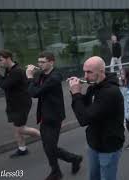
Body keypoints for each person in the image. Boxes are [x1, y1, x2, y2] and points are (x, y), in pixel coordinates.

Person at [26, 51, 82, 180]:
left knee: (50, 147)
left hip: (54, 116)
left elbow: (34, 92)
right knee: (48, 147)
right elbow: (30, 87)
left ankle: (68, 163)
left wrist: (30, 77)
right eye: (38, 62)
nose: (40, 64)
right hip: (44, 115)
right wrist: (30, 76)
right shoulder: (40, 74)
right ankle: (61, 167)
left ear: (51, 62)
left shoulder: (55, 77)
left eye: (43, 62)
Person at [68, 56, 125, 180]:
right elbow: (85, 107)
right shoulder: (94, 86)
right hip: (94, 143)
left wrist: (76, 94)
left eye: (89, 72)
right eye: (84, 71)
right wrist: (75, 92)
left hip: (108, 147)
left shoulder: (110, 92)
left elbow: (84, 119)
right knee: (94, 177)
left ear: (101, 71)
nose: (85, 76)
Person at [0, 49, 40, 158]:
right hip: (13, 103)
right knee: (16, 128)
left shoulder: (16, 71)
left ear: (8, 58)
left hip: (21, 104)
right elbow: (7, 82)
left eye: (1, 60)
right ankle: (22, 149)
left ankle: (45, 136)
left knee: (20, 129)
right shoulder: (9, 70)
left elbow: (4, 85)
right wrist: (0, 74)